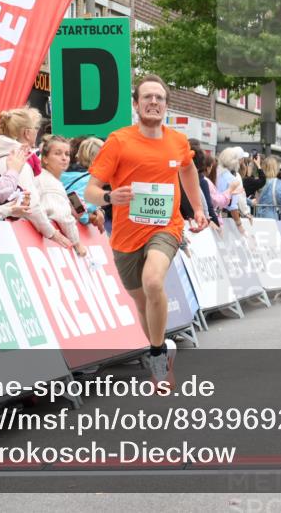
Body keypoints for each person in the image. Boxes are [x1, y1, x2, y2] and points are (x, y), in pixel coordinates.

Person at [84, 75, 208, 386]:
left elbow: (189, 171)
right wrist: (111, 197)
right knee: (141, 302)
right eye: (147, 97)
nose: (154, 102)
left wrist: (198, 209)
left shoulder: (178, 141)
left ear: (166, 105)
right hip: (125, 235)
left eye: (160, 98)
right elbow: (90, 191)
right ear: (136, 104)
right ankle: (157, 347)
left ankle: (156, 356)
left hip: (166, 226)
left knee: (153, 281)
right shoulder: (119, 141)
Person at [0, 109, 70, 246]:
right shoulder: (20, 162)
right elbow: (31, 205)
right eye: (36, 128)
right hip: (9, 236)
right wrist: (52, 233)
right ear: (27, 133)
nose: (37, 132)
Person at [35, 134, 88, 257]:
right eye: (58, 153)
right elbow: (62, 217)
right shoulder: (48, 182)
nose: (64, 158)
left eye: (67, 154)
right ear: (45, 159)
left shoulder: (51, 180)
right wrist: (77, 243)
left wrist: (75, 213)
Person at [60, 137, 107, 233]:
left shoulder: (65, 173)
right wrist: (88, 217)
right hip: (72, 230)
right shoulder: (89, 179)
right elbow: (73, 198)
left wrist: (97, 210)